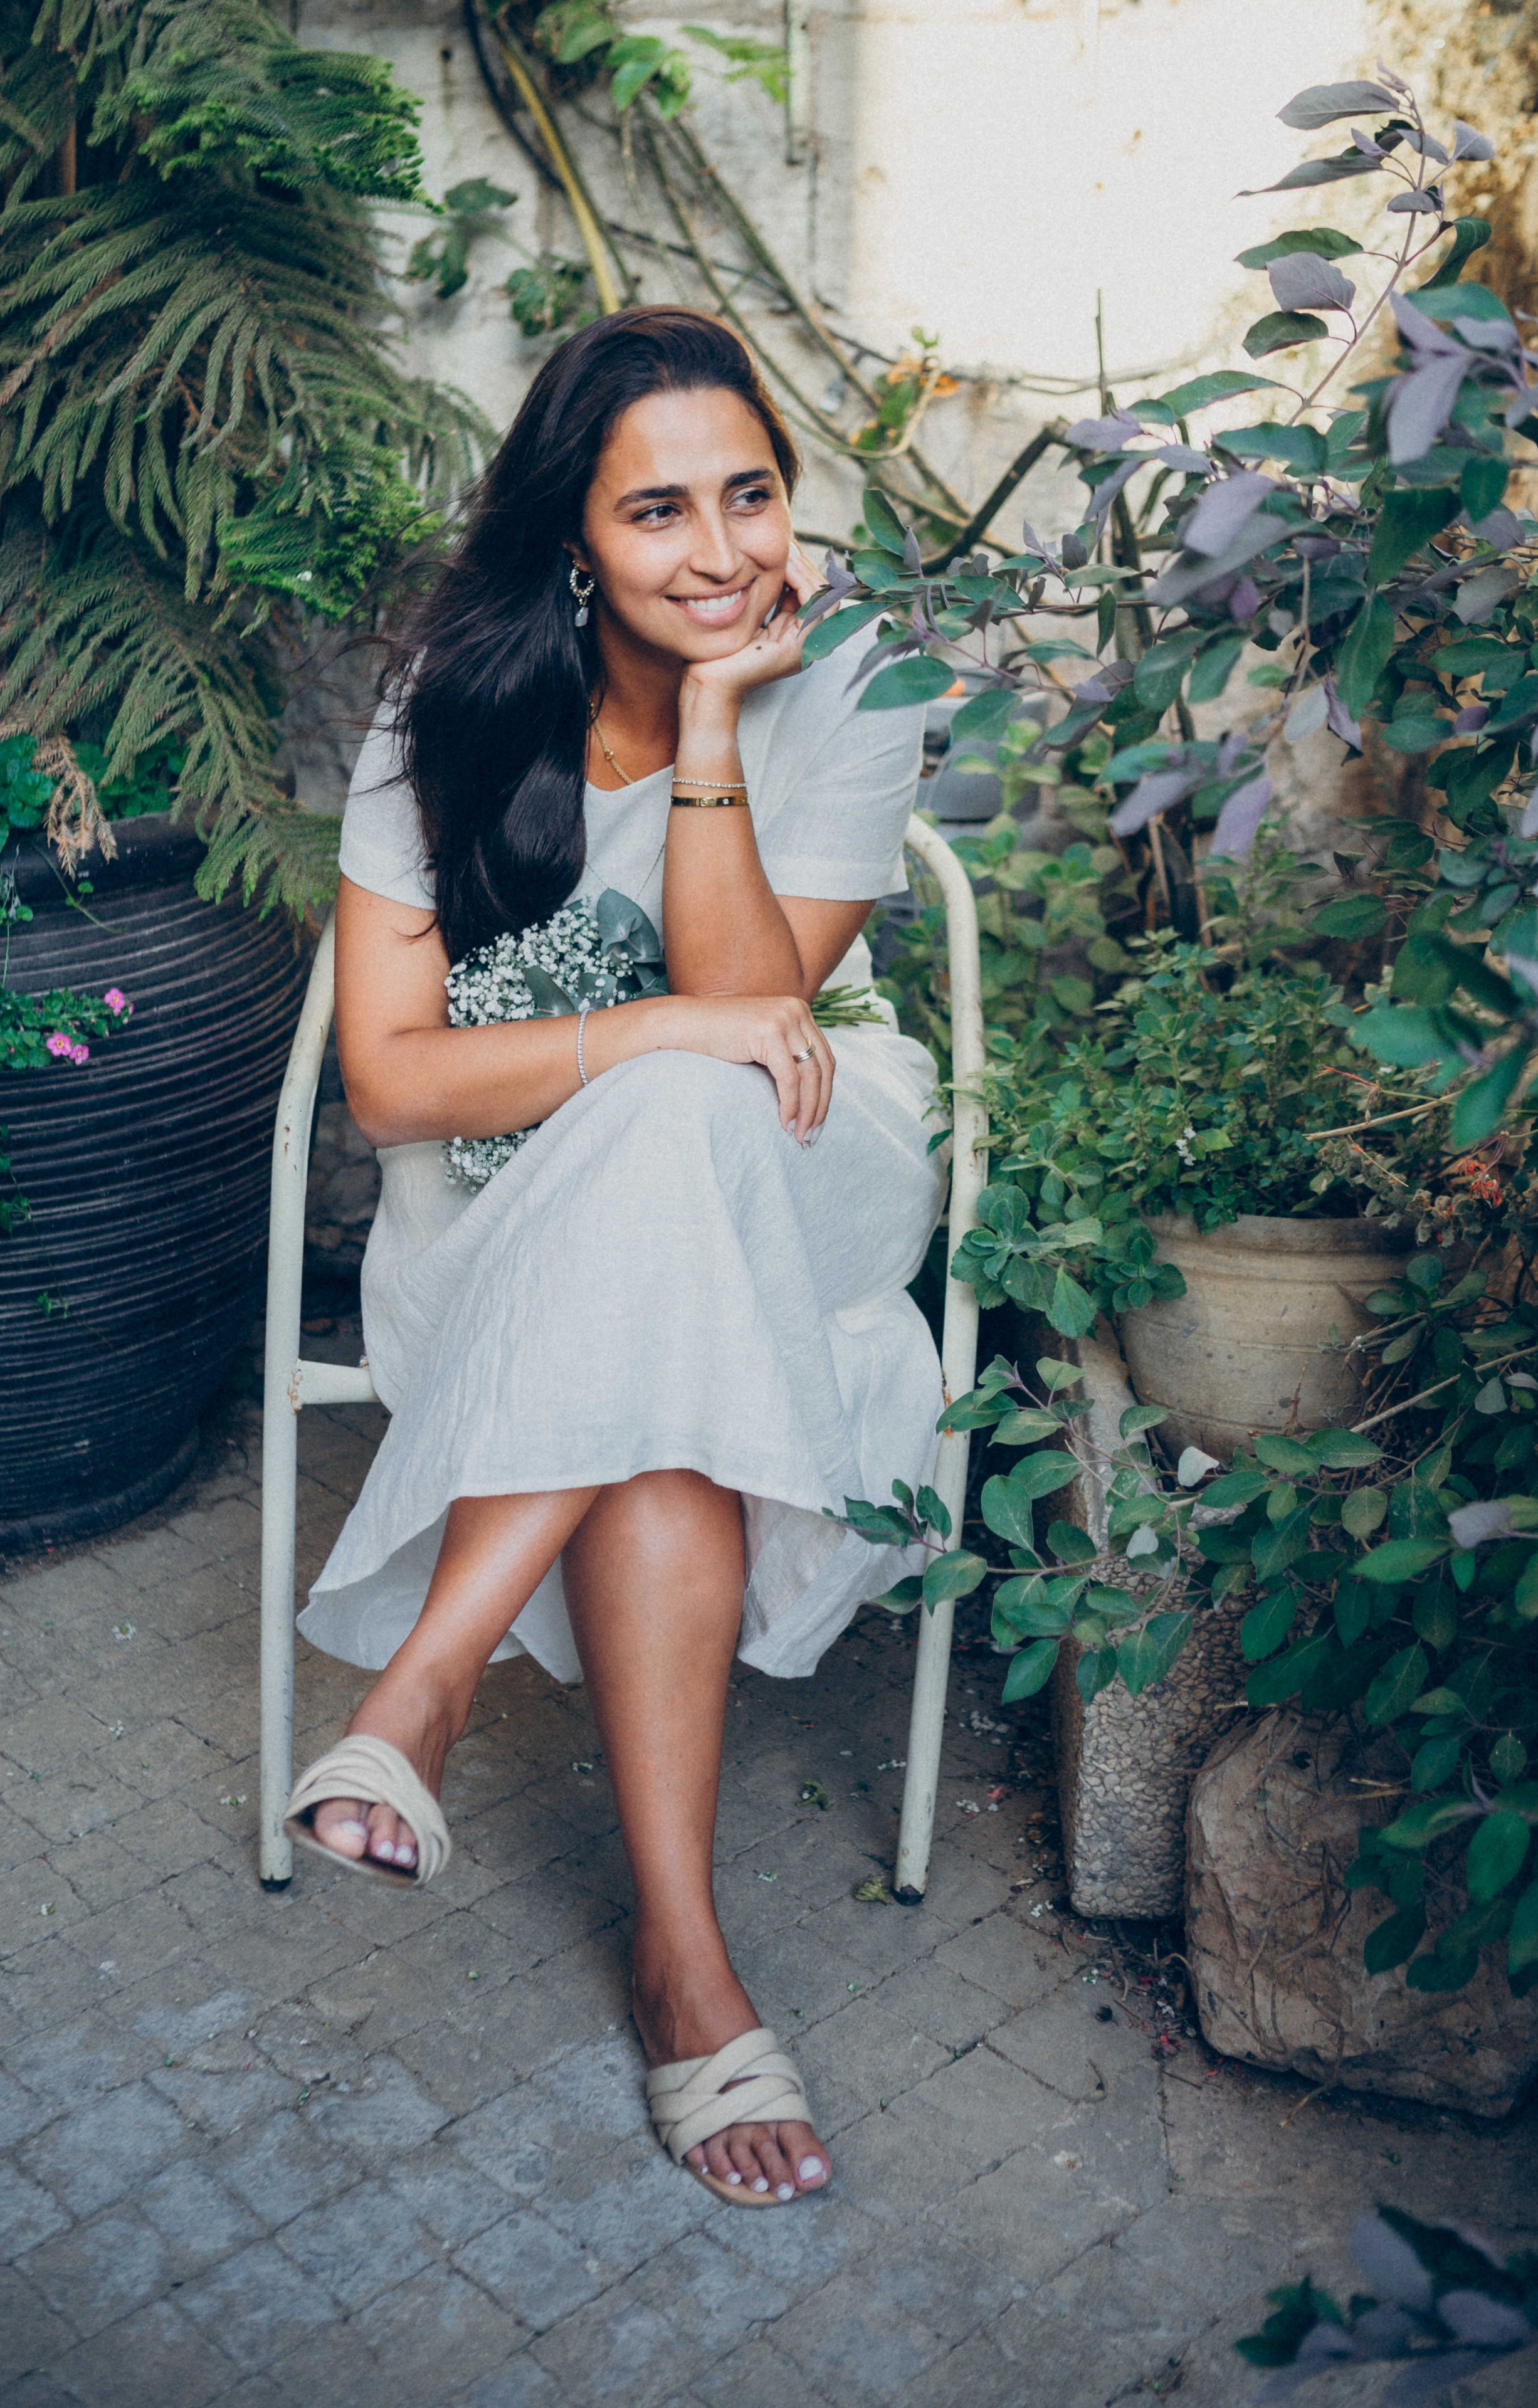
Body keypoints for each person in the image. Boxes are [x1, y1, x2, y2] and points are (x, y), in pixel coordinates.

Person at [285, 305, 945, 2209]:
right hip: (506, 1204)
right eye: (658, 512)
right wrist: (641, 1037)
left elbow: (754, 1018)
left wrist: (728, 717)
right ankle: (683, 1961)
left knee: (684, 1129)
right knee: (661, 1307)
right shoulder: (450, 712)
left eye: (750, 494)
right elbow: (398, 1089)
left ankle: (420, 1682)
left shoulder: (856, 680)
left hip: (811, 1153)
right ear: (574, 537)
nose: (720, 550)